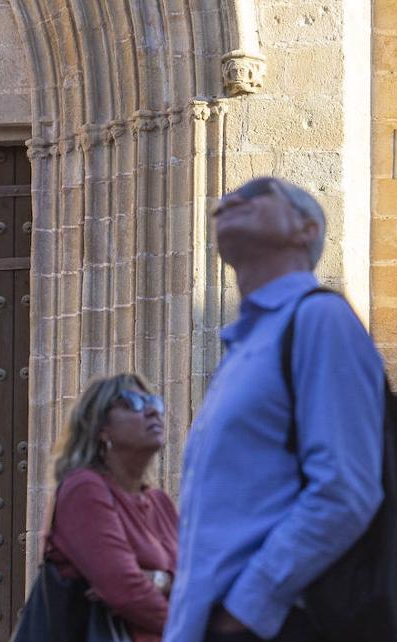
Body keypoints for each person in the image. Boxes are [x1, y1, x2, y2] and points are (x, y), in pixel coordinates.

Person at [164, 177, 385, 642]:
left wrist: (246, 608)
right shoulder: (245, 347)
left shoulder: (320, 318)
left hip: (262, 627)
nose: (227, 199)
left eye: (258, 191)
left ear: (305, 229)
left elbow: (346, 489)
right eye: (227, 196)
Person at [45, 373, 179, 642]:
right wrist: (194, 629)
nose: (153, 411)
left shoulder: (160, 504)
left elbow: (198, 584)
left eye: (154, 402)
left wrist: (159, 579)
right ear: (100, 428)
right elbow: (126, 590)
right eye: (132, 403)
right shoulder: (84, 489)